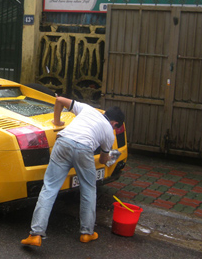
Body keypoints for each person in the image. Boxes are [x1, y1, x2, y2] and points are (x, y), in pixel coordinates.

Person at [21, 95, 125, 247]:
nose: (115, 130)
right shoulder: (109, 132)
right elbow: (103, 160)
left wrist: (57, 122)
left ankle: (35, 234)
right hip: (84, 150)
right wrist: (112, 157)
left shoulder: (88, 109)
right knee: (88, 189)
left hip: (63, 142)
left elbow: (59, 100)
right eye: (116, 127)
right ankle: (86, 233)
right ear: (115, 123)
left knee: (49, 188)